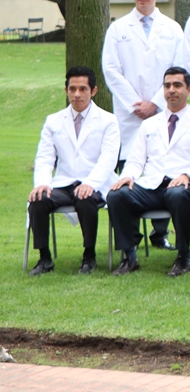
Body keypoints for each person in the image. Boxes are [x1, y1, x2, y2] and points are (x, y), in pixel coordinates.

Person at [102, 0, 184, 250]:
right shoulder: (118, 29)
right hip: (130, 114)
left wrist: (156, 104)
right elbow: (111, 70)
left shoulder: (173, 29)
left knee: (163, 166)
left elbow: (178, 69)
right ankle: (131, 239)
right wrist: (135, 104)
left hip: (163, 109)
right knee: (131, 169)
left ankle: (160, 233)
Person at [106, 67, 190, 277]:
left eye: (177, 85)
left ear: (189, 89)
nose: (171, 90)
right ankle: (129, 256)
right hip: (152, 186)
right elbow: (136, 160)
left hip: (183, 185)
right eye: (167, 86)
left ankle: (183, 257)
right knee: (116, 195)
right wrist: (128, 176)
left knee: (178, 194)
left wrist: (187, 176)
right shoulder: (149, 124)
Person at [27, 66, 120, 276]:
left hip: (95, 182)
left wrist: (91, 183)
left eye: (82, 89)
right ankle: (44, 257)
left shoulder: (108, 121)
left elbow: (108, 159)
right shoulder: (53, 121)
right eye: (72, 89)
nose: (77, 94)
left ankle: (89, 255)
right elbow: (44, 156)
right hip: (63, 182)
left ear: (93, 91)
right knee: (39, 199)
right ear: (66, 90)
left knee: (85, 199)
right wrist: (42, 182)